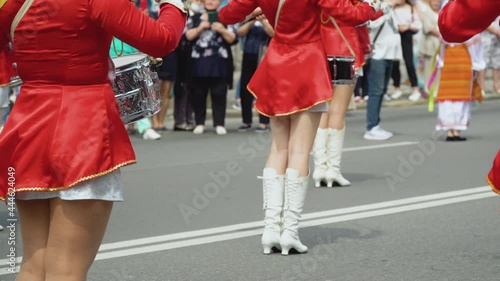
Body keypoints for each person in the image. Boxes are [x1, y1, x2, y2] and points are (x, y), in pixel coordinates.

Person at [0, 1, 186, 281]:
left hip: (28, 125)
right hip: (83, 128)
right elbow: (161, 40)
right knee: (67, 270)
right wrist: (174, 5)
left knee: (33, 267)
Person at [219, 0, 382, 256]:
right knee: (299, 152)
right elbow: (351, 14)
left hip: (276, 64)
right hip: (307, 66)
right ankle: (290, 233)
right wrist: (375, 4)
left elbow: (226, 13)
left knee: (278, 148)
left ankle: (270, 229)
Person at [313, 0, 389, 188]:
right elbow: (362, 14)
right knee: (337, 111)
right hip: (344, 49)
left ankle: (319, 168)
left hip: (319, 49)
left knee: (323, 109)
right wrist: (382, 6)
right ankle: (333, 170)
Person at [184, 0, 238, 135]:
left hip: (220, 63)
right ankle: (200, 123)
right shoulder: (195, 17)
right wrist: (200, 28)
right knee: (198, 93)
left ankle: (219, 123)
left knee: (219, 93)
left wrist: (221, 29)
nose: (210, 1)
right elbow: (186, 36)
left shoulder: (225, 18)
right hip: (198, 62)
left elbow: (233, 38)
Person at [429, 34, 485, 141]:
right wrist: (477, 67)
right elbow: (476, 49)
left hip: (449, 63)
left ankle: (451, 131)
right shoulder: (469, 30)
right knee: (460, 97)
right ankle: (456, 131)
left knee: (448, 96)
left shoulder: (447, 29)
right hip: (462, 63)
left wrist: (441, 64)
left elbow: (441, 50)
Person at [109, 37, 162, 140]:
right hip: (110, 66)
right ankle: (119, 130)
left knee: (136, 98)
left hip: (129, 64)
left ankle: (146, 128)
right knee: (113, 101)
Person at [364, 2, 402, 140]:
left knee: (382, 91)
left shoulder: (389, 8)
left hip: (389, 55)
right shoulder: (375, 4)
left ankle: (376, 124)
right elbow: (370, 23)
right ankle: (371, 126)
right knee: (375, 92)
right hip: (377, 55)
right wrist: (385, 9)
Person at [236, 13, 274, 133]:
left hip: (264, 55)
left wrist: (263, 21)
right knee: (245, 87)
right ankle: (246, 120)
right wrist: (252, 20)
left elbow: (273, 33)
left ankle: (264, 121)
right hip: (248, 54)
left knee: (263, 89)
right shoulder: (249, 16)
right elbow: (240, 32)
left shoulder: (271, 17)